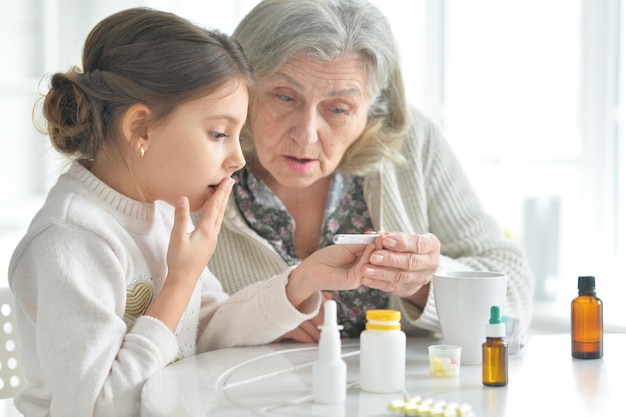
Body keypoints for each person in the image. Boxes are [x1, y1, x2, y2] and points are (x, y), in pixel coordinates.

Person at [8, 8, 372, 416]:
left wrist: (304, 278)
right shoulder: (71, 237)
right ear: (140, 129)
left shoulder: (160, 211)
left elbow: (207, 328)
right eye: (219, 134)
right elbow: (96, 408)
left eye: (237, 136)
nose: (237, 158)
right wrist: (180, 281)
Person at [206, 0, 534, 342]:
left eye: (338, 108)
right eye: (285, 98)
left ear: (372, 112)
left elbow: (514, 303)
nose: (306, 134)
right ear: (242, 87)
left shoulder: (412, 143)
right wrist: (264, 315)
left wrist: (426, 285)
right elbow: (172, 329)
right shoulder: (200, 158)